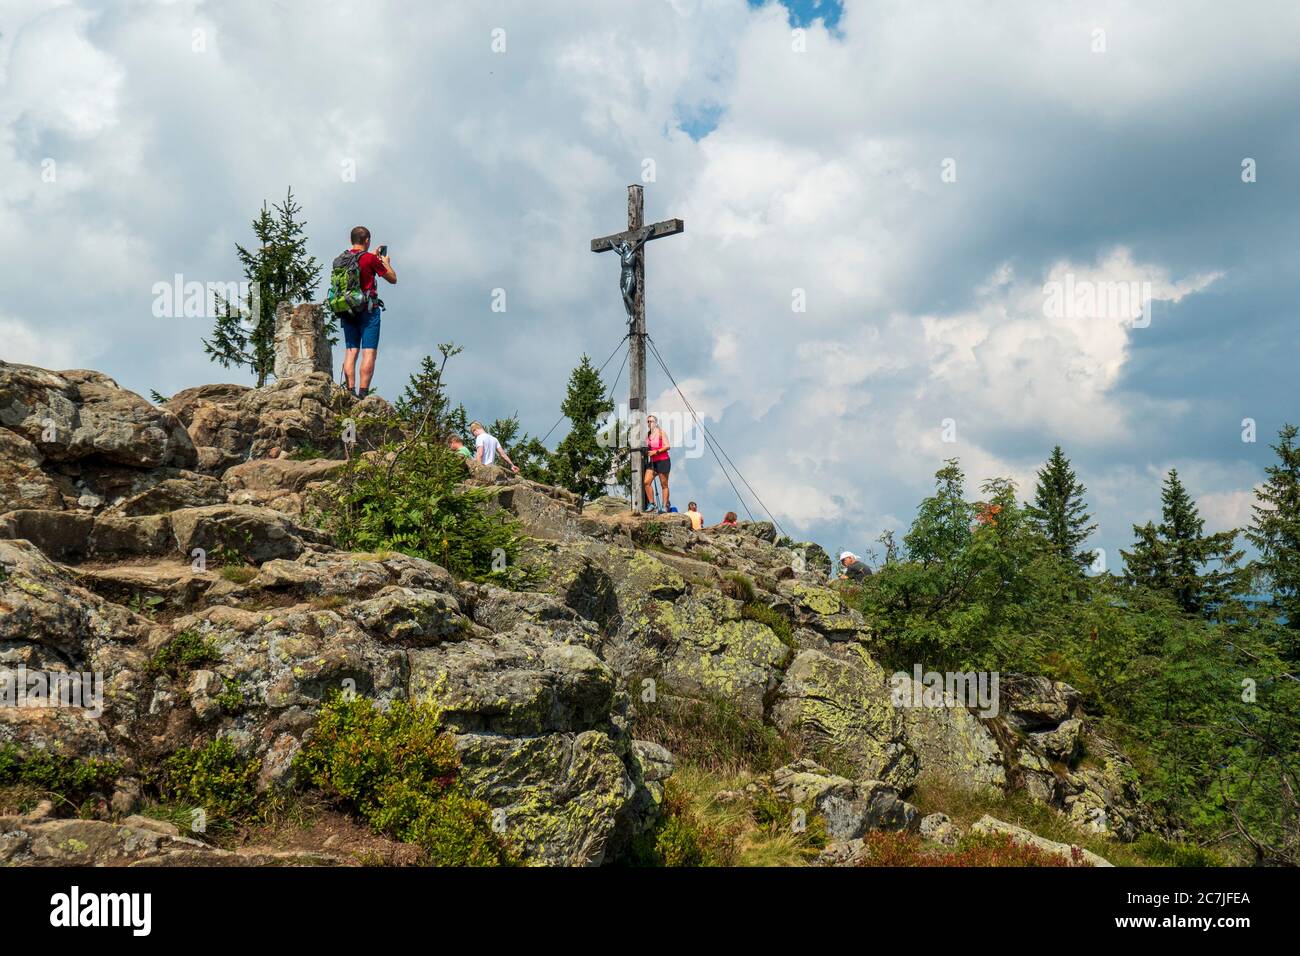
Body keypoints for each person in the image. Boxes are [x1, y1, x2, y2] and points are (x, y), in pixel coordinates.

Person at [337, 226, 396, 399]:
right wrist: (385, 263)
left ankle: (349, 391)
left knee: (350, 350)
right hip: (368, 310)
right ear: (367, 240)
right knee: (368, 352)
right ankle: (363, 393)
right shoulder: (370, 259)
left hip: (346, 309)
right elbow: (393, 279)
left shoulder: (340, 259)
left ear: (351, 240)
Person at [643, 414, 671, 513]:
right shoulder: (648, 435)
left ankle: (664, 506)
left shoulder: (661, 433)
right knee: (646, 482)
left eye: (651, 421)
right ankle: (652, 504)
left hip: (663, 461)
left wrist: (656, 452)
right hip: (653, 462)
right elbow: (646, 446)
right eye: (648, 421)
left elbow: (667, 446)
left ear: (656, 423)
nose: (649, 423)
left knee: (664, 484)